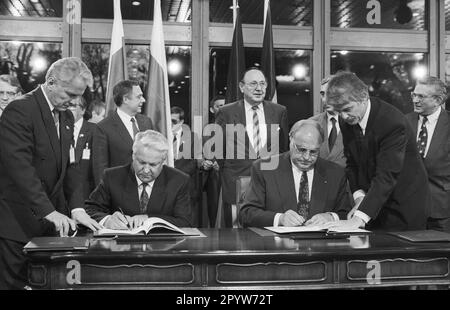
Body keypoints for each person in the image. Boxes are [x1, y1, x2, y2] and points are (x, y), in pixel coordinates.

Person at [0, 57, 101, 289]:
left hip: (49, 227)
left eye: (79, 95)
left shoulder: (65, 116)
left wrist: (77, 208)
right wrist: (48, 211)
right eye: (70, 94)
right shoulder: (20, 109)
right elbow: (20, 169)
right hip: (18, 223)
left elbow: (71, 167)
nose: (75, 102)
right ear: (51, 82)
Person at [324, 71, 429, 231]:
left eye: (347, 109)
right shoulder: (348, 119)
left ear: (363, 97)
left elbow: (386, 175)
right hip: (371, 202)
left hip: (402, 205)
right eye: (338, 111)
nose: (343, 117)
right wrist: (359, 198)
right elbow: (352, 163)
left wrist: (359, 218)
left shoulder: (392, 122)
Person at [239, 120, 351, 227]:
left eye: (313, 152)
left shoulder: (335, 173)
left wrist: (331, 217)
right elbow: (246, 214)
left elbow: (347, 213)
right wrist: (280, 219)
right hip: (277, 243)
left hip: (321, 244)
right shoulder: (264, 168)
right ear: (290, 139)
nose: (307, 157)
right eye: (301, 150)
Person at [215, 67, 289, 227]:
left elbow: (283, 149)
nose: (259, 88)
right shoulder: (226, 112)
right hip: (235, 181)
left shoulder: (279, 111)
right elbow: (218, 150)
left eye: (263, 83)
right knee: (235, 233)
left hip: (270, 181)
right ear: (242, 87)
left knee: (267, 228)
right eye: (253, 83)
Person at [85, 130, 193, 228]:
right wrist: (107, 220)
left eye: (153, 165)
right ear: (133, 156)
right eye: (141, 162)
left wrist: (149, 219)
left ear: (163, 161)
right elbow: (90, 209)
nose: (146, 170)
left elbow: (184, 221)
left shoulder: (179, 180)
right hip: (121, 246)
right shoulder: (112, 177)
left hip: (162, 246)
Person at [406, 76, 450, 232]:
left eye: (421, 96)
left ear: (437, 100)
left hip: (442, 212)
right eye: (414, 95)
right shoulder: (404, 122)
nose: (415, 100)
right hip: (407, 209)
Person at [92, 80, 154, 185]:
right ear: (125, 99)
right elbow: (100, 169)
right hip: (120, 192)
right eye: (139, 97)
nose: (143, 100)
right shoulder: (103, 128)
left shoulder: (146, 122)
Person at [171, 106, 202, 227]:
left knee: (187, 221)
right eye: (169, 121)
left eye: (174, 121)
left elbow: (195, 160)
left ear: (181, 122)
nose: (170, 124)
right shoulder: (161, 135)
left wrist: (176, 174)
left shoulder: (192, 137)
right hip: (165, 184)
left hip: (185, 183)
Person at [309, 76, 346, 167]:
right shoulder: (311, 124)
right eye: (322, 94)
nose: (325, 99)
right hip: (318, 179)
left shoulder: (354, 123)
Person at [200, 96, 225, 227]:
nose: (222, 108)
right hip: (213, 177)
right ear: (211, 109)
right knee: (214, 211)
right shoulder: (207, 129)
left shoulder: (236, 127)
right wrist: (205, 162)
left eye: (224, 105)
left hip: (230, 174)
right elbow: (200, 152)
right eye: (218, 106)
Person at [67, 95, 96, 200]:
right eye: (66, 105)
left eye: (72, 106)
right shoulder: (58, 128)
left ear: (83, 110)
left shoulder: (94, 131)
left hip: (85, 194)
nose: (68, 109)